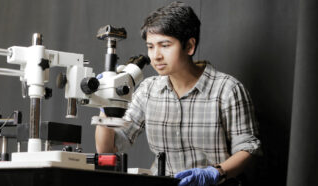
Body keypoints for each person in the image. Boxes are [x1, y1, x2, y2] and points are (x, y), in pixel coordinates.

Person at [95, 1, 261, 185]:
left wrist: (216, 172)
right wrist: (107, 106)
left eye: (165, 45)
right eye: (150, 47)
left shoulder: (227, 90)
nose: (156, 56)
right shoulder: (147, 91)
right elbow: (108, 149)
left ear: (189, 46)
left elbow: (247, 149)